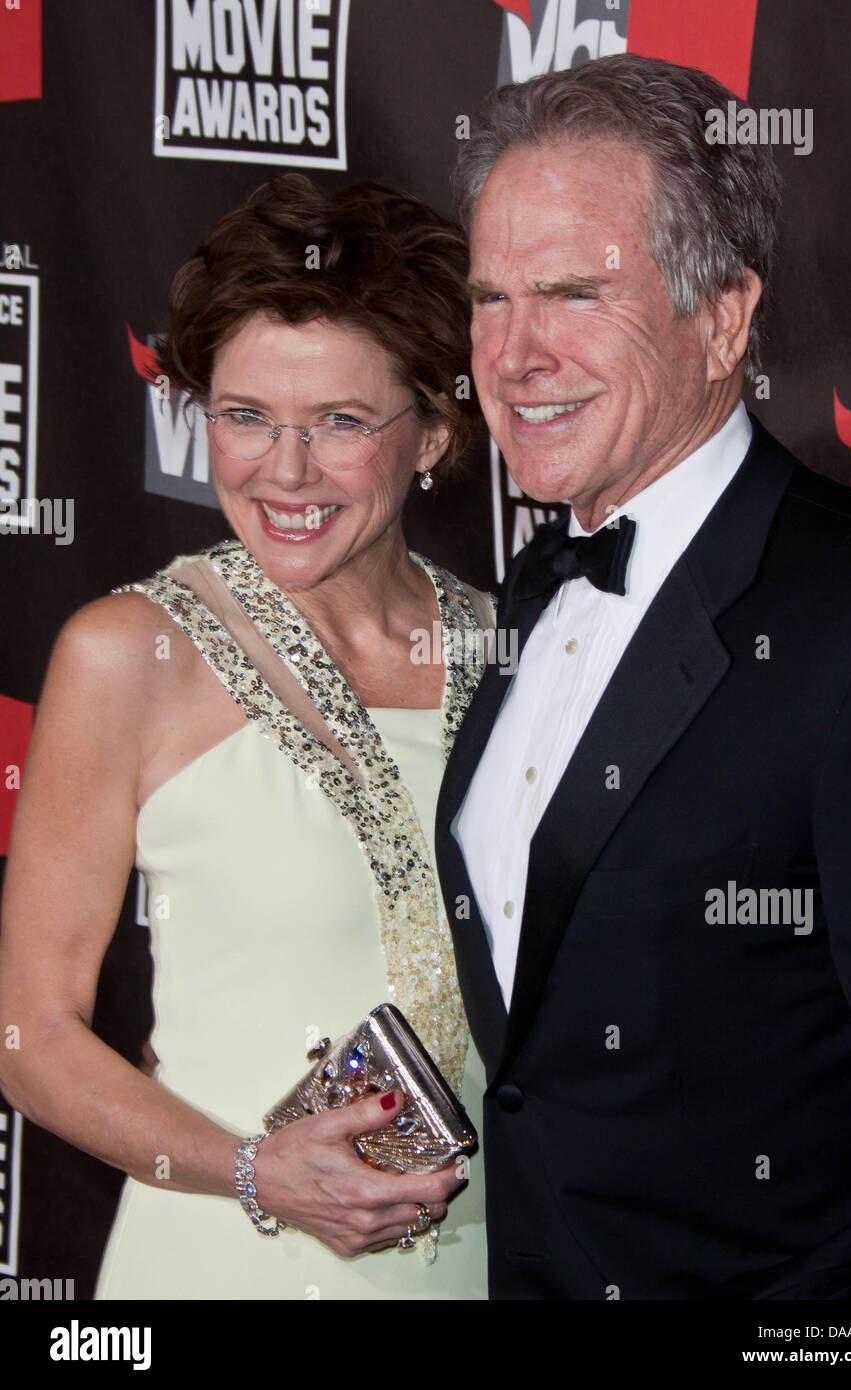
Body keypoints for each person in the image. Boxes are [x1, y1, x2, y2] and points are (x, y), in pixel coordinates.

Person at [435, 54, 851, 1300]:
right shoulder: (538, 584)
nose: (515, 351)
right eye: (490, 298)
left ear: (724, 319)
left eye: (570, 293)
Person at [0, 173, 492, 1300]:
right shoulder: (125, 654)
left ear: (434, 429)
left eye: (341, 423)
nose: (285, 471)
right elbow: (33, 1037)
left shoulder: (514, 653)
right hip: (223, 1266)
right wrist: (254, 1172)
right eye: (245, 416)